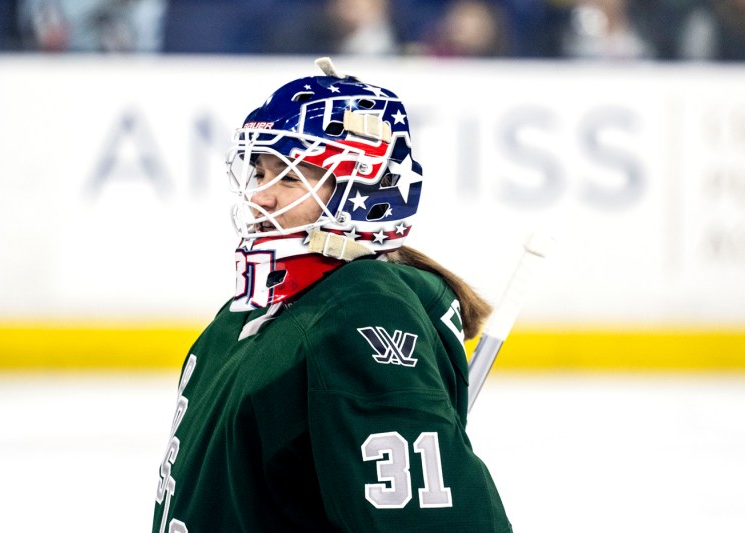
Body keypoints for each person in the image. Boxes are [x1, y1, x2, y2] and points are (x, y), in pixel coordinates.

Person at [152, 57, 512, 532]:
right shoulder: (248, 316)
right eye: (261, 173)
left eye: (290, 177)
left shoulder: (360, 314)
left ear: (359, 187)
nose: (261, 196)